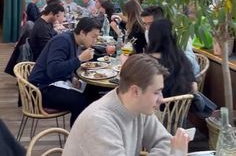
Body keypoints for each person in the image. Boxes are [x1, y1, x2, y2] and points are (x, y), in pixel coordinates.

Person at [62, 54, 190, 156]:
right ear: (135, 91)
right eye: (156, 92)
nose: (161, 99)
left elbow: (165, 142)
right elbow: (170, 148)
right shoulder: (99, 122)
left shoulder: (139, 107)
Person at [29, 17, 101, 126]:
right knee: (79, 101)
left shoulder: (72, 41)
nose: (95, 41)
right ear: (82, 33)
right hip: (41, 89)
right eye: (93, 37)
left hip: (54, 83)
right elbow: (53, 70)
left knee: (92, 91)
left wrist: (72, 77)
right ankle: (76, 138)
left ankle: (86, 131)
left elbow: (64, 65)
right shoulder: (62, 40)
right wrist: (79, 59)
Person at [142, 6, 200, 75]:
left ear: (160, 21)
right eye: (145, 24)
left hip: (186, 73)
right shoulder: (147, 32)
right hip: (164, 70)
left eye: (150, 24)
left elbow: (190, 59)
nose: (147, 28)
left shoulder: (176, 33)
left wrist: (166, 57)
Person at [147, 18, 197, 98]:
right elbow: (194, 86)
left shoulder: (148, 61)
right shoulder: (180, 56)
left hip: (157, 107)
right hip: (181, 106)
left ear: (152, 37)